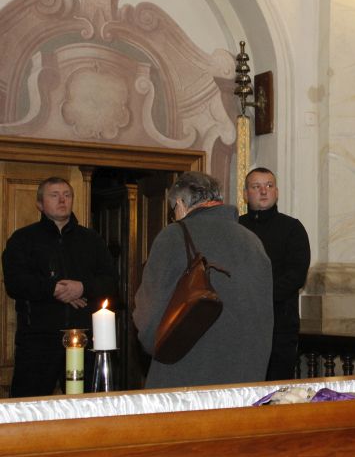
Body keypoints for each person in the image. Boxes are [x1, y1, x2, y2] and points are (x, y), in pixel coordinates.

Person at [133, 171, 273, 388]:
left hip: (185, 376)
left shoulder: (173, 236)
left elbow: (149, 317)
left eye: (173, 210)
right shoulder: (252, 241)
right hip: (245, 378)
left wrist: (153, 345)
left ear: (181, 204)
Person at [2, 177, 117, 397]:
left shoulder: (91, 239)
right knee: (30, 406)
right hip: (37, 341)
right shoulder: (22, 239)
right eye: (54, 195)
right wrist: (54, 289)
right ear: (40, 204)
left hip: (84, 338)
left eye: (67, 195)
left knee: (86, 405)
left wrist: (82, 287)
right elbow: (15, 283)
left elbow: (111, 281)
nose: (62, 200)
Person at [239, 167, 310, 380]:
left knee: (276, 387)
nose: (263, 191)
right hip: (241, 325)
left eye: (269, 186)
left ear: (276, 192)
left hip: (279, 326)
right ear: (245, 194)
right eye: (256, 186)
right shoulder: (235, 228)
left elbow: (296, 275)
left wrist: (259, 296)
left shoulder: (292, 228)